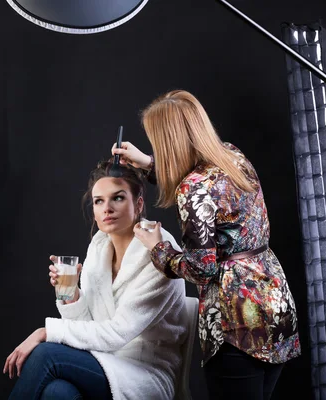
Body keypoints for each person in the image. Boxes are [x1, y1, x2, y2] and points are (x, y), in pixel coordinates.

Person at [112, 90, 301, 400]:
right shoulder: (232, 156)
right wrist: (148, 163)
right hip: (275, 305)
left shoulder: (193, 189)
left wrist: (157, 248)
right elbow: (202, 183)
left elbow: (201, 269)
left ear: (168, 140)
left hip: (236, 323)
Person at [3, 160, 187, 400]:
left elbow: (116, 333)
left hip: (145, 374)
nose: (106, 208)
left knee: (44, 354)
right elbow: (90, 325)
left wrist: (45, 331)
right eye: (99, 201)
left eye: (118, 198)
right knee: (57, 392)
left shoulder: (160, 251)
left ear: (138, 203)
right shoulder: (100, 246)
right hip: (102, 361)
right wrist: (70, 295)